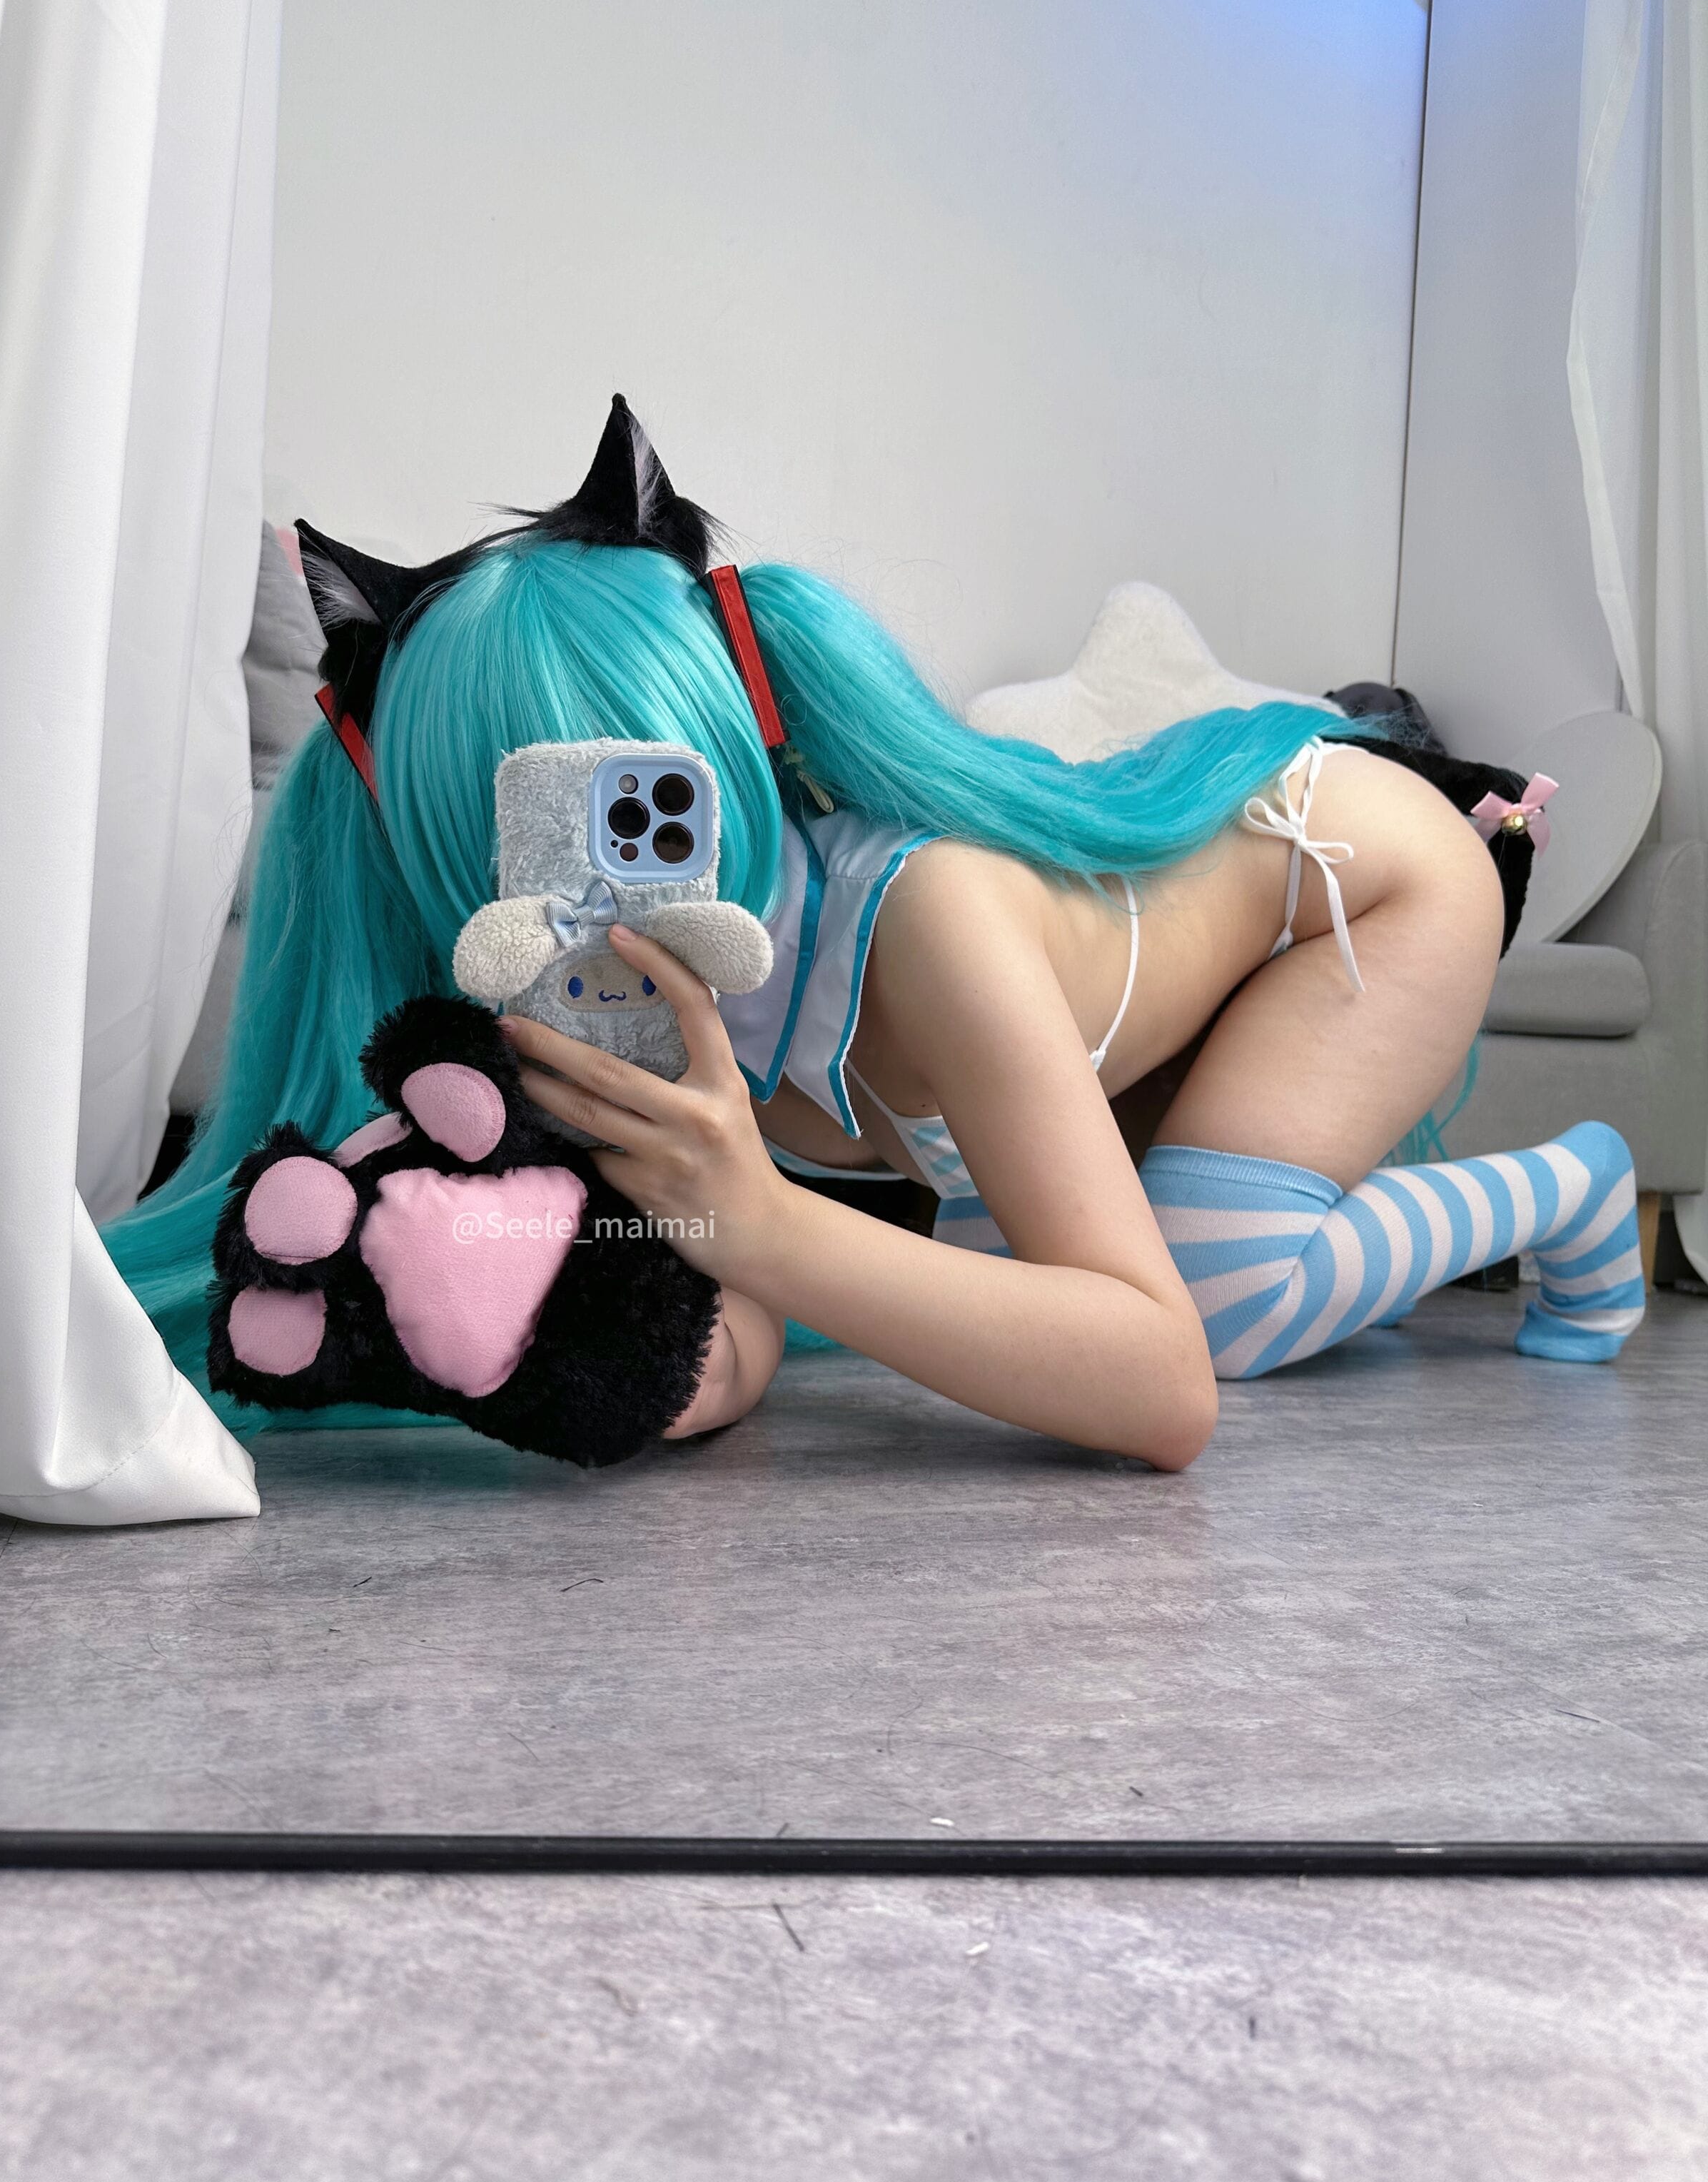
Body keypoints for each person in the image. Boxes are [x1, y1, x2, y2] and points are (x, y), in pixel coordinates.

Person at [107, 402, 1645, 1471]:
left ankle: (1571, 1189)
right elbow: (739, 1325)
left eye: (635, 816)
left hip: (1366, 874)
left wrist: (761, 1224)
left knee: (1219, 1300)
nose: (593, 898)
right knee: (1030, 1280)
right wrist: (511, 1338)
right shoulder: (581, 1021)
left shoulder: (928, 918)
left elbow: (1162, 1394)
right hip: (1161, 984)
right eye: (532, 854)